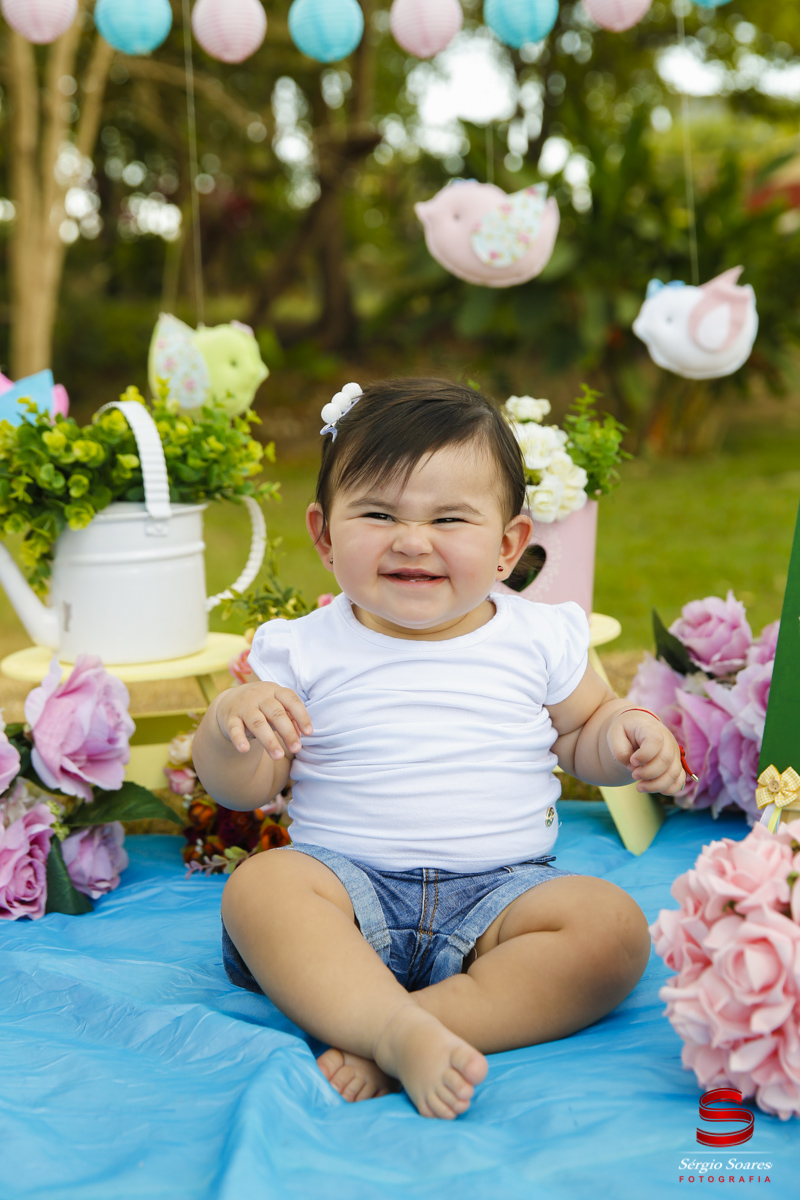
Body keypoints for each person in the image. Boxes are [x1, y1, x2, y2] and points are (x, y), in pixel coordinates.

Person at [192, 378, 686, 1121]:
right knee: (262, 889)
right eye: (378, 514)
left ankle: (400, 1031)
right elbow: (241, 787)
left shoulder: (539, 635)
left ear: (509, 545)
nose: (412, 539)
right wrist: (231, 721)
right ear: (326, 535)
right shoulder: (301, 649)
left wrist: (623, 739)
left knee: (611, 929)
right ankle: (392, 1025)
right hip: (345, 894)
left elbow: (582, 735)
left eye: (449, 517)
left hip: (501, 899)